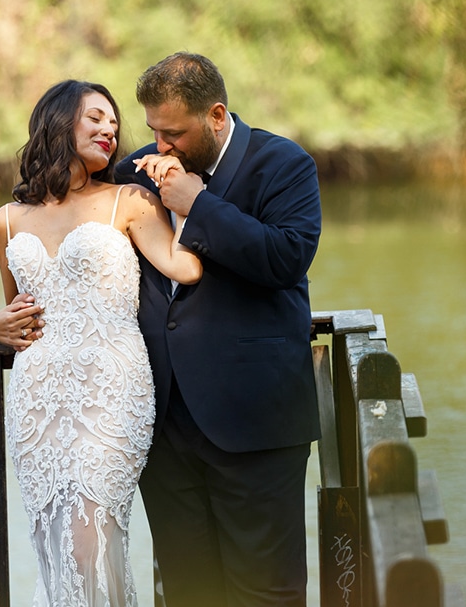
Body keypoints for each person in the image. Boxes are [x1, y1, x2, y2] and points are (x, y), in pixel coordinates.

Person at [0, 79, 203, 607]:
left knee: (89, 543)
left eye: (114, 123)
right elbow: (19, 312)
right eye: (96, 118)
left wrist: (189, 199)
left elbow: (186, 267)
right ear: (59, 123)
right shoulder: (6, 220)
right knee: (53, 548)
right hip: (38, 400)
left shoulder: (129, 200)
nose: (110, 130)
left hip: (110, 392)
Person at [118, 51, 323, 607]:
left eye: (174, 133)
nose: (160, 146)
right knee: (188, 593)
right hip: (164, 427)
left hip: (255, 421)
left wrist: (199, 205)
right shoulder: (134, 173)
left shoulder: (285, 165)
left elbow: (286, 258)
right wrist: (12, 313)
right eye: (153, 130)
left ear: (215, 115)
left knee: (266, 593)